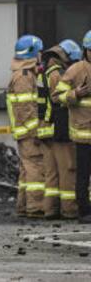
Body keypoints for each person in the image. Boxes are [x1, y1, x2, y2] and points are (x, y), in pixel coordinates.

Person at [41, 39, 81, 220]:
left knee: (51, 172)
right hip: (58, 127)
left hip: (45, 128)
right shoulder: (57, 74)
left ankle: (50, 209)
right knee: (67, 170)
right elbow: (59, 100)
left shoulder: (44, 71)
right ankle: (69, 209)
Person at [54, 30, 91, 223]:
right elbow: (57, 97)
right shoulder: (76, 70)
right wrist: (75, 94)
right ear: (86, 50)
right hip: (83, 134)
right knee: (83, 175)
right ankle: (84, 211)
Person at [7, 35, 46, 219]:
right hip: (28, 132)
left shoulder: (24, 74)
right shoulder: (24, 77)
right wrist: (35, 130)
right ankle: (36, 207)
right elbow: (25, 109)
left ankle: (23, 206)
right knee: (35, 168)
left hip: (24, 131)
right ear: (32, 53)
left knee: (26, 168)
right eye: (39, 52)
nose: (41, 55)